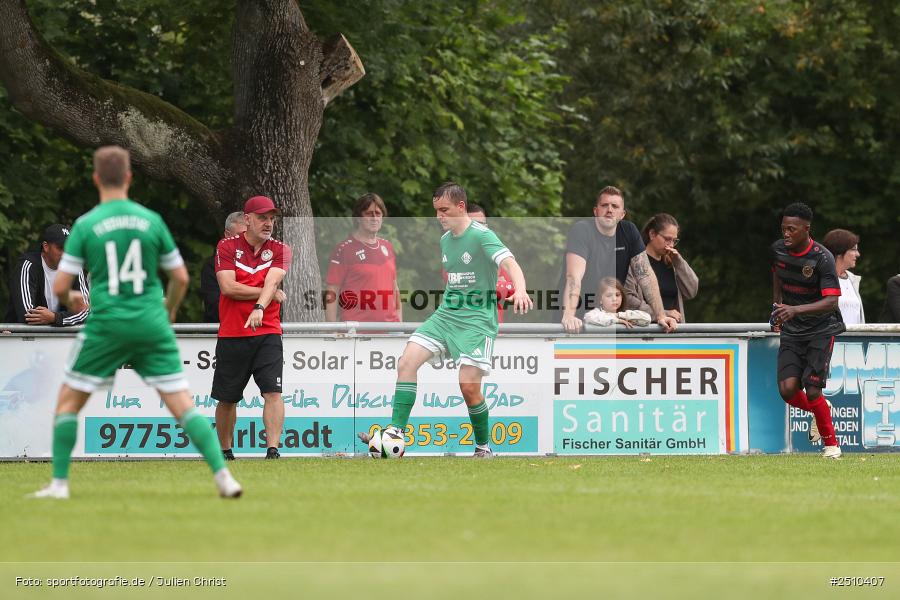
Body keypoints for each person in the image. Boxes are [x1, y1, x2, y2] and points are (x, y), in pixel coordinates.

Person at [30, 146, 241, 499]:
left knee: (68, 403)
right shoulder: (150, 221)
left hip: (107, 324)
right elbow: (181, 279)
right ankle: (224, 477)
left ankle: (59, 484)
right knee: (182, 405)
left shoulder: (87, 225)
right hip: (149, 323)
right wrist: (169, 310)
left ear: (96, 179)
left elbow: (62, 286)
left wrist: (71, 301)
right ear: (129, 178)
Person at [358, 182, 533, 457]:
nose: (439, 217)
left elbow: (510, 263)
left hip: (477, 322)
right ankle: (395, 432)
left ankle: (483, 447)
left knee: (468, 387)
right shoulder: (445, 240)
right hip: (446, 316)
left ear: (461, 207)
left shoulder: (482, 236)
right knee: (406, 362)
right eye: (436, 211)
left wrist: (520, 289)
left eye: (444, 210)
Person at [212, 195, 292, 460]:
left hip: (268, 329)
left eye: (271, 219)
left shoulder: (280, 249)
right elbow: (228, 287)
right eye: (262, 218)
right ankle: (225, 451)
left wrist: (260, 307)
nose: (268, 223)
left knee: (273, 391)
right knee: (227, 398)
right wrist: (266, 296)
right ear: (247, 220)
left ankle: (273, 450)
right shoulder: (226, 246)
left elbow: (273, 283)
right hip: (233, 332)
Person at [770, 202, 844, 459]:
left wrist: (795, 310)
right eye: (783, 229)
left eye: (791, 229)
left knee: (813, 390)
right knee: (787, 390)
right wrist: (778, 307)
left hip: (820, 329)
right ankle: (819, 408)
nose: (786, 234)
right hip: (792, 330)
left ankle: (832, 446)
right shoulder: (779, 251)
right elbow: (778, 275)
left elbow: (832, 301)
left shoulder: (822, 258)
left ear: (806, 229)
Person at [557, 186, 676, 333]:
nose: (609, 210)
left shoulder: (629, 231)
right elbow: (573, 276)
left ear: (622, 214)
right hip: (575, 319)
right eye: (604, 205)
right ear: (596, 211)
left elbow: (645, 275)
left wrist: (661, 315)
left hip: (611, 320)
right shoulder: (582, 230)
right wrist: (569, 315)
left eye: (615, 206)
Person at [325, 193, 401, 322]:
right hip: (358, 330)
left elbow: (395, 289)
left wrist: (400, 323)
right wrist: (331, 330)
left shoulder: (387, 246)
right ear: (358, 218)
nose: (374, 218)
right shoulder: (344, 249)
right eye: (369, 213)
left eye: (378, 213)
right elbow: (332, 292)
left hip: (391, 329)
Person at [5, 224, 90, 326]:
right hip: (23, 338)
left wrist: (55, 317)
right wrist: (60, 319)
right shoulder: (28, 265)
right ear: (46, 247)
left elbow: (86, 312)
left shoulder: (75, 269)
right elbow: (27, 315)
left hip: (60, 338)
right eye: (60, 248)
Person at [624, 214, 699, 323]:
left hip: (673, 331)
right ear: (652, 234)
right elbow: (629, 301)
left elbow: (691, 291)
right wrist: (663, 313)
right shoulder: (635, 263)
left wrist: (679, 262)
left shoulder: (671, 264)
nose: (671, 245)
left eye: (674, 240)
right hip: (644, 332)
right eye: (668, 239)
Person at [467, 204, 515, 323]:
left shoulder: (498, 255)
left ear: (486, 227)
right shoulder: (454, 253)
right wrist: (498, 282)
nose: (477, 228)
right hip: (465, 329)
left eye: (480, 224)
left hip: (495, 330)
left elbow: (513, 292)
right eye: (472, 224)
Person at [200, 212, 248, 323]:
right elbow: (215, 309)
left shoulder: (259, 262)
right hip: (221, 332)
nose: (245, 240)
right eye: (240, 235)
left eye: (248, 234)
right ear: (227, 234)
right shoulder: (212, 266)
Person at [821, 229, 864, 325]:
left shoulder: (853, 280)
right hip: (830, 339)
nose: (858, 254)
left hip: (855, 339)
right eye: (853, 249)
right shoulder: (820, 278)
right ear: (839, 251)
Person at [584, 277, 651, 327]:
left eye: (617, 295)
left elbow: (647, 319)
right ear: (600, 300)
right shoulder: (595, 313)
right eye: (609, 295)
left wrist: (619, 315)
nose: (614, 299)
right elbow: (588, 317)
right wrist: (617, 320)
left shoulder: (625, 315)